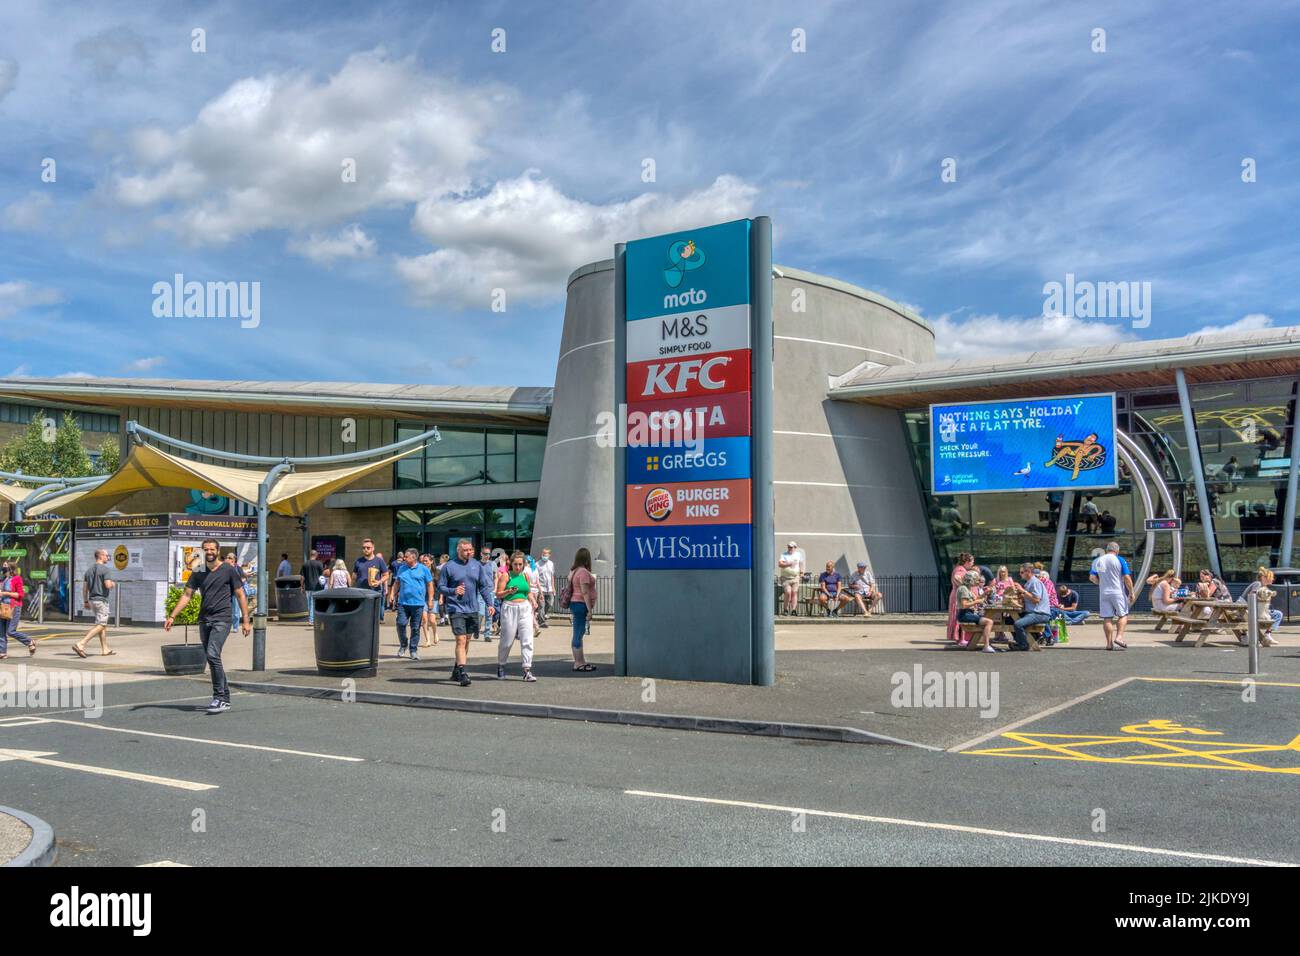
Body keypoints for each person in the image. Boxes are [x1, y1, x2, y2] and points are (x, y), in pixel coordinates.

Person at [165, 538, 251, 714]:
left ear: (218, 550)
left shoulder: (228, 569)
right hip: (204, 619)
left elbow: (240, 594)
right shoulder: (199, 571)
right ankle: (225, 698)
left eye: (212, 549)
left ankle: (219, 697)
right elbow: (187, 595)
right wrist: (172, 616)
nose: (209, 551)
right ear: (202, 551)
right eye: (206, 549)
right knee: (213, 658)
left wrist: (246, 621)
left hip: (222, 619)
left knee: (212, 654)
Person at [437, 538, 494, 687]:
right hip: (456, 608)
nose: (468, 552)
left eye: (470, 550)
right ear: (458, 550)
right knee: (461, 640)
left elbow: (483, 587)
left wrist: (490, 603)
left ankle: (456, 669)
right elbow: (441, 587)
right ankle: (463, 673)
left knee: (467, 640)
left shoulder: (476, 565)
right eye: (465, 550)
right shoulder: (448, 567)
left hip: (472, 609)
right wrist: (453, 591)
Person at [495, 550, 539, 681]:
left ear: (524, 564)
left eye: (520, 564)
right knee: (507, 640)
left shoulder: (525, 576)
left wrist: (533, 600)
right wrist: (508, 591)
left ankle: (527, 669)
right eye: (515, 564)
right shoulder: (506, 576)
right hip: (509, 607)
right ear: (511, 564)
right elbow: (498, 594)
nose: (518, 567)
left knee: (527, 639)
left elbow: (528, 591)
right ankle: (501, 665)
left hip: (524, 608)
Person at [389, 548, 434, 660]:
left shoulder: (424, 569)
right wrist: (392, 594)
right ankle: (403, 645)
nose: (404, 558)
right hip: (403, 603)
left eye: (406, 556)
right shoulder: (402, 568)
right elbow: (397, 583)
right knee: (401, 624)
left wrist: (430, 600)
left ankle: (413, 650)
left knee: (415, 628)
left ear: (413, 557)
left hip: (418, 604)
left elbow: (429, 585)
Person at [72, 547, 116, 658]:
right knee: (102, 624)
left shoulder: (88, 571)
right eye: (106, 555)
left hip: (92, 601)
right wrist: (112, 584)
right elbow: (107, 585)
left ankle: (105, 649)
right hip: (101, 601)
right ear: (100, 556)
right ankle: (81, 643)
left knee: (101, 625)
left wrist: (86, 601)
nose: (107, 557)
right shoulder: (105, 570)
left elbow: (84, 588)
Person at [1089, 541, 1134, 650]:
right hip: (1117, 592)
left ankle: (1109, 644)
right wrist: (1131, 592)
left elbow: (1092, 577)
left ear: (1107, 550)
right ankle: (1119, 637)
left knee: (1107, 617)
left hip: (1104, 592)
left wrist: (1101, 583)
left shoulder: (1098, 561)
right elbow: (1127, 578)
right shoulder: (1120, 559)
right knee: (1123, 615)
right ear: (1117, 550)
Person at [1008, 562, 1052, 651]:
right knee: (1008, 620)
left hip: (1040, 613)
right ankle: (1023, 640)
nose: (1020, 574)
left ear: (1028, 571)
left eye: (1021, 572)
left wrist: (1023, 591)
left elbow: (1036, 600)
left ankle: (1023, 645)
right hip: (1032, 612)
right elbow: (1028, 597)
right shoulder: (1028, 583)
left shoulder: (1035, 582)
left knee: (1018, 624)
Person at [566, 547, 598, 671]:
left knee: (579, 632)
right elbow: (585, 592)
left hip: (576, 603)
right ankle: (578, 663)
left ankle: (581, 661)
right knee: (578, 633)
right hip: (580, 604)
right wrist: (590, 610)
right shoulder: (583, 572)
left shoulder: (574, 571)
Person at [955, 571, 998, 652]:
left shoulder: (967, 588)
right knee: (989, 622)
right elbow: (964, 605)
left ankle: (985, 645)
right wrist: (977, 602)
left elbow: (976, 598)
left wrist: (985, 593)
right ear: (971, 579)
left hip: (968, 613)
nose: (978, 581)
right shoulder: (963, 589)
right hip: (965, 614)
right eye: (976, 579)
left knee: (988, 621)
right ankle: (986, 646)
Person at [1237, 566, 1281, 645]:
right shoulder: (1258, 584)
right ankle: (1266, 635)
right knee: (1278, 614)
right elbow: (1252, 597)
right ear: (1264, 577)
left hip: (1252, 610)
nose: (1273, 579)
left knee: (1277, 614)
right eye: (1271, 577)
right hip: (1247, 610)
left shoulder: (1262, 586)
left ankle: (1267, 634)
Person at [0, 562, 35, 659]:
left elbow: (20, 595)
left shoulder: (17, 579)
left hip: (13, 607)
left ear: (11, 568)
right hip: (2, 607)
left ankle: (29, 641)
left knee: (10, 631)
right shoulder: (2, 580)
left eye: (5, 566)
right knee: (1, 631)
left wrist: (5, 593)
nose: (3, 568)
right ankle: (2, 652)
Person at [351, 539, 389, 623]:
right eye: (364, 547)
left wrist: (379, 582)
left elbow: (386, 575)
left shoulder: (379, 561)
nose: (366, 549)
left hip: (374, 592)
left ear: (373, 548)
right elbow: (354, 576)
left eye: (368, 547)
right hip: (361, 592)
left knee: (373, 616)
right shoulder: (358, 561)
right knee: (361, 616)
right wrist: (350, 588)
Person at [947, 552, 975, 642]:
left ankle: (959, 638)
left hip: (957, 595)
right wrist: (965, 587)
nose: (973, 563)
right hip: (959, 597)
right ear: (967, 561)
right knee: (960, 616)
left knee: (958, 616)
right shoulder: (961, 570)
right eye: (972, 561)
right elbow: (956, 577)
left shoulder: (959, 568)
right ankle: (960, 639)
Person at [478, 546, 499, 641]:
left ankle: (487, 634)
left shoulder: (493, 564)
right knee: (480, 612)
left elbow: (496, 577)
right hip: (479, 592)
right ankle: (476, 629)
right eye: (485, 554)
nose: (487, 556)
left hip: (490, 591)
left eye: (488, 554)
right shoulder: (477, 564)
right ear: (481, 554)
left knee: (489, 614)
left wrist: (495, 588)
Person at [418, 554, 439, 646]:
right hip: (422, 598)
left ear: (431, 561)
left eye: (426, 561)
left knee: (432, 620)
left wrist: (441, 598)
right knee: (424, 619)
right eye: (423, 561)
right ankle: (427, 640)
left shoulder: (437, 572)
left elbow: (440, 586)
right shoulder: (419, 571)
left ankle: (435, 633)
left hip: (434, 598)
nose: (424, 562)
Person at [778, 541, 803, 615]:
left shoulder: (798, 554)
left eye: (791, 547)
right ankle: (785, 609)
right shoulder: (784, 554)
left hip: (795, 577)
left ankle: (793, 610)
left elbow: (801, 564)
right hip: (785, 578)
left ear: (795, 548)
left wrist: (802, 572)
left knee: (794, 592)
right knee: (788, 592)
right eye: (789, 547)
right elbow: (780, 564)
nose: (790, 548)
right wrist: (789, 563)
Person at [301, 548, 325, 625]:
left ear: (310, 555)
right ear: (316, 555)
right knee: (313, 603)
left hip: (308, 587)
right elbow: (322, 576)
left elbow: (302, 577)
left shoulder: (305, 564)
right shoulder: (319, 564)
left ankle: (311, 619)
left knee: (309, 604)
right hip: (317, 587)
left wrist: (302, 586)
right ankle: (312, 620)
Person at [535, 547, 556, 628]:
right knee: (541, 605)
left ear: (549, 555)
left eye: (546, 554)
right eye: (543, 554)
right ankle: (541, 622)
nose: (544, 555)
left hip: (550, 588)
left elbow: (552, 575)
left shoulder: (551, 564)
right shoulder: (537, 564)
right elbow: (536, 577)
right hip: (541, 588)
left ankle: (540, 615)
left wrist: (553, 587)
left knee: (550, 603)